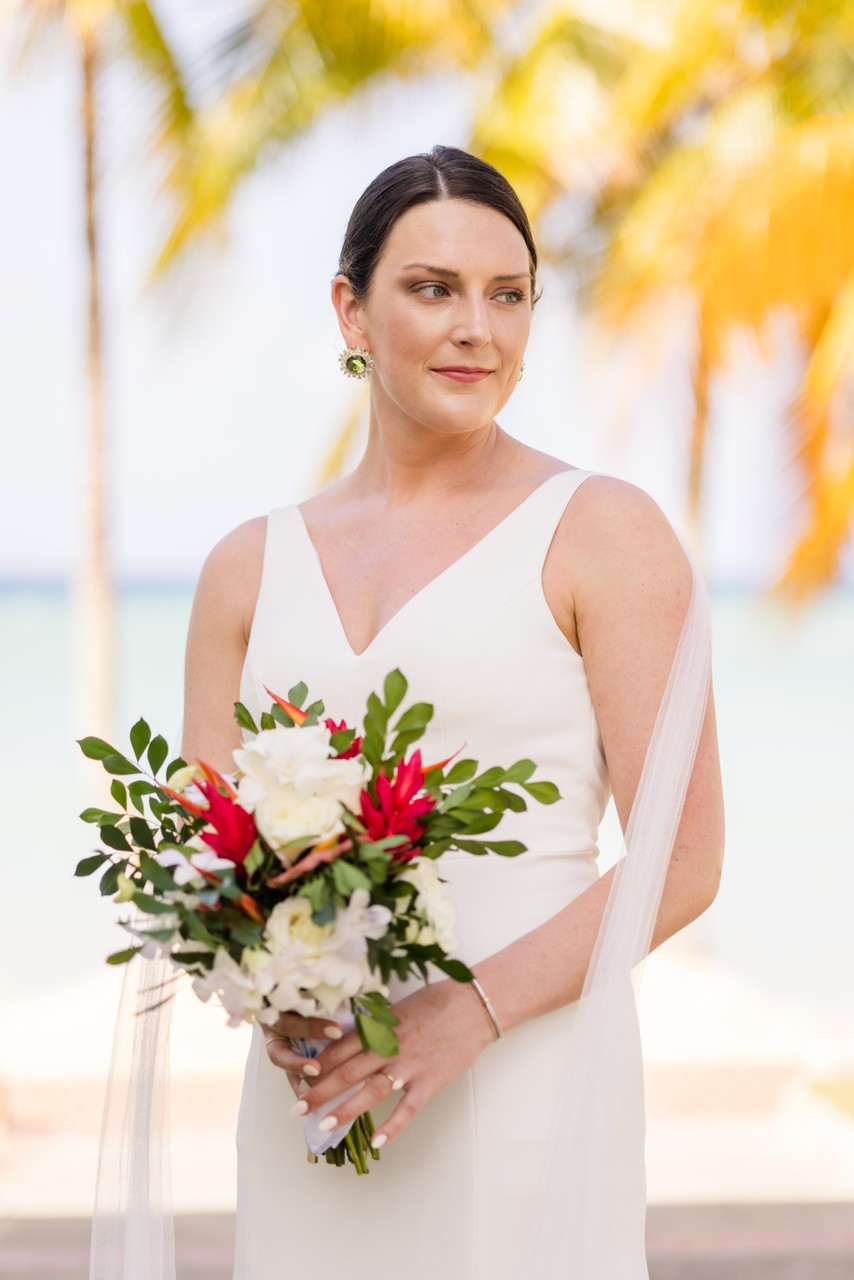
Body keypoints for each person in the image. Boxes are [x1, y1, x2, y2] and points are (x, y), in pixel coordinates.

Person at [181, 145, 724, 1279]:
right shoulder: (245, 568)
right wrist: (274, 1003)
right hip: (319, 1095)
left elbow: (680, 856)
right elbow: (209, 859)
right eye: (433, 288)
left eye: (508, 293)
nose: (477, 326)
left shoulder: (601, 532)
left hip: (526, 1078)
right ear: (351, 309)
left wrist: (464, 1012)